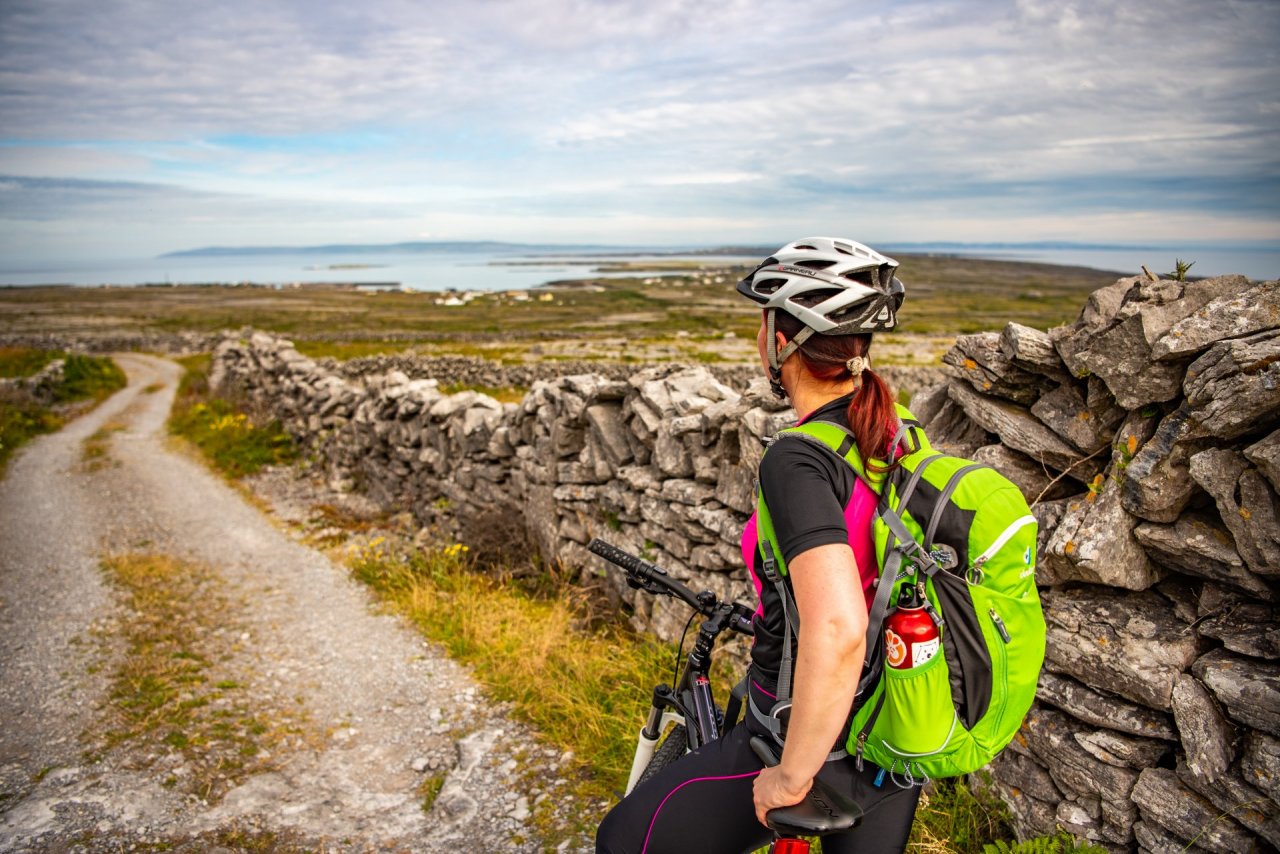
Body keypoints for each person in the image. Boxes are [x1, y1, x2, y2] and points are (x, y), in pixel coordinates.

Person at [596, 237, 921, 854]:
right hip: (891, 731)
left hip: (796, 730)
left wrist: (789, 775)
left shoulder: (798, 459)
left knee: (621, 842)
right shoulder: (895, 433)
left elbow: (838, 626)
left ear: (782, 340)